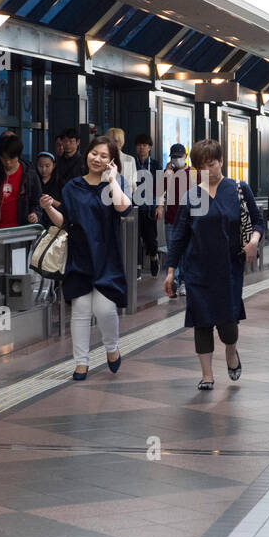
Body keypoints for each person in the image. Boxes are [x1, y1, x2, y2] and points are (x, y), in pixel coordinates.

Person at [165, 138, 263, 390]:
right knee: (202, 322)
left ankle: (231, 350)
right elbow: (179, 235)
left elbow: (258, 220)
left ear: (221, 161)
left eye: (212, 163)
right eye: (202, 167)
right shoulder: (192, 196)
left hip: (229, 267)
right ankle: (207, 375)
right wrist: (171, 271)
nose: (209, 170)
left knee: (228, 323)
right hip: (197, 268)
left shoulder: (238, 189)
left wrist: (253, 240)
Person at [39, 135, 132, 379]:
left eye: (104, 156)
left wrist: (112, 180)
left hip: (106, 257)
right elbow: (65, 221)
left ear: (112, 161)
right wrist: (49, 208)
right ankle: (81, 362)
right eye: (94, 153)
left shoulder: (114, 184)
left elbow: (123, 207)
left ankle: (111, 347)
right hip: (78, 256)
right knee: (80, 310)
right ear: (86, 154)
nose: (97, 159)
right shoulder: (72, 186)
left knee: (105, 309)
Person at [155, 143, 193, 297]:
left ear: (185, 157)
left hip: (188, 220)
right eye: (174, 158)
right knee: (173, 252)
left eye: (179, 157)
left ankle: (184, 281)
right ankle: (174, 281)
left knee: (185, 252)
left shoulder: (193, 173)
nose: (177, 160)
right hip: (171, 220)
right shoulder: (167, 173)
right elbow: (159, 191)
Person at [133, 133, 160, 276]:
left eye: (144, 145)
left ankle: (154, 258)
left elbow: (160, 187)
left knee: (150, 238)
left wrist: (159, 206)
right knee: (135, 237)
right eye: (139, 145)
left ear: (149, 147)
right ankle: (136, 268)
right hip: (134, 206)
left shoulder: (155, 164)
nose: (141, 148)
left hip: (150, 206)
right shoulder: (131, 163)